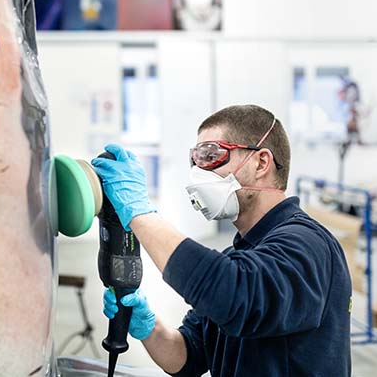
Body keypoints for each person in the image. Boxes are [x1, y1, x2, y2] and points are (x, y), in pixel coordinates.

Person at [92, 104, 351, 377]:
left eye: (210, 155)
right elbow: (187, 356)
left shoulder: (307, 245)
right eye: (195, 160)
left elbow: (237, 296)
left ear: (261, 162)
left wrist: (139, 213)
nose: (198, 172)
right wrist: (149, 327)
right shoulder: (240, 255)